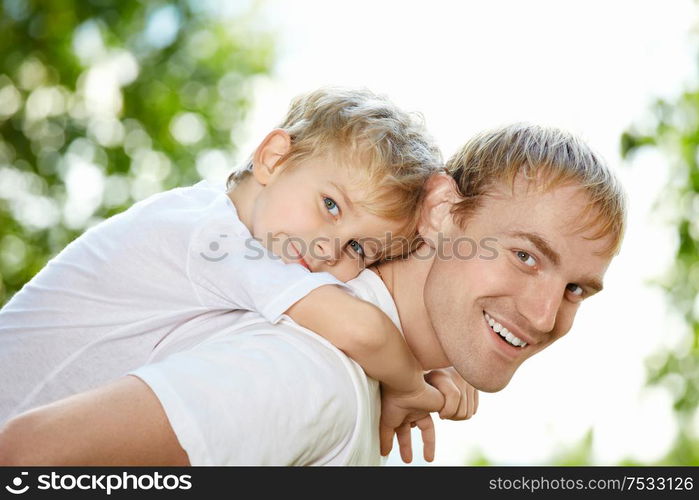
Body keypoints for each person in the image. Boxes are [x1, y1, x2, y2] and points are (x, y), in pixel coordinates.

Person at [0, 123, 626, 465]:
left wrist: (419, 377)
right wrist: (413, 379)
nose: (547, 315)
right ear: (440, 210)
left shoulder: (324, 324)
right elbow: (27, 457)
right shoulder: (314, 371)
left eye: (575, 288)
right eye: (524, 256)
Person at [0, 87, 466, 449]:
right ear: (274, 157)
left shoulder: (252, 243)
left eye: (360, 248)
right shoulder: (216, 237)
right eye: (330, 205)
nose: (329, 249)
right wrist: (411, 383)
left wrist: (423, 363)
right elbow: (360, 329)